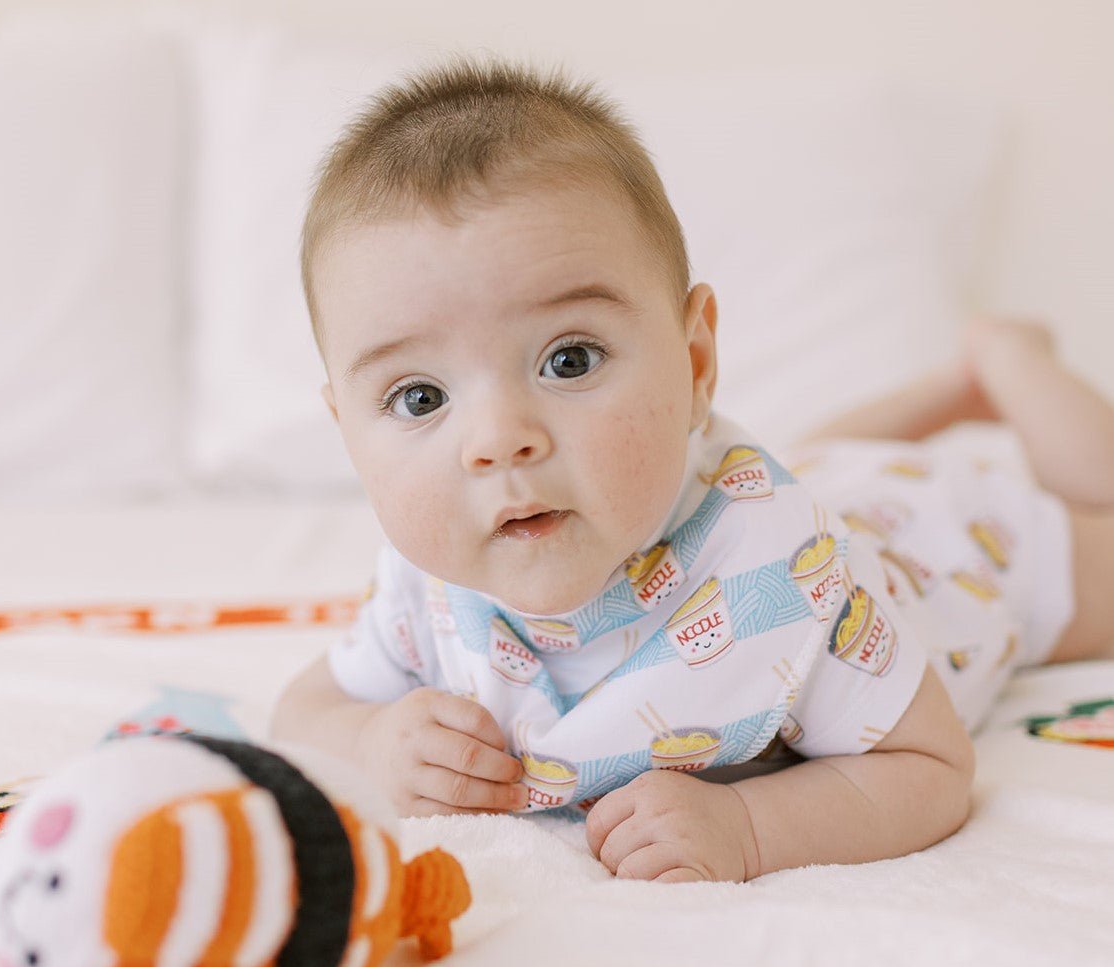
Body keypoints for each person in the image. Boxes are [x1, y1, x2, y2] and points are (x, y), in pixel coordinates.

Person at [271, 58, 1114, 884]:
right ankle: (950, 386)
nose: (496, 441)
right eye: (419, 398)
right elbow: (304, 713)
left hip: (946, 544)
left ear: (695, 357)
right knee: (810, 459)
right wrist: (373, 746)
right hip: (801, 478)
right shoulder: (428, 590)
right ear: (346, 429)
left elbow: (928, 762)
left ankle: (1004, 361)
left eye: (568, 359)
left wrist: (748, 825)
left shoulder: (788, 576)